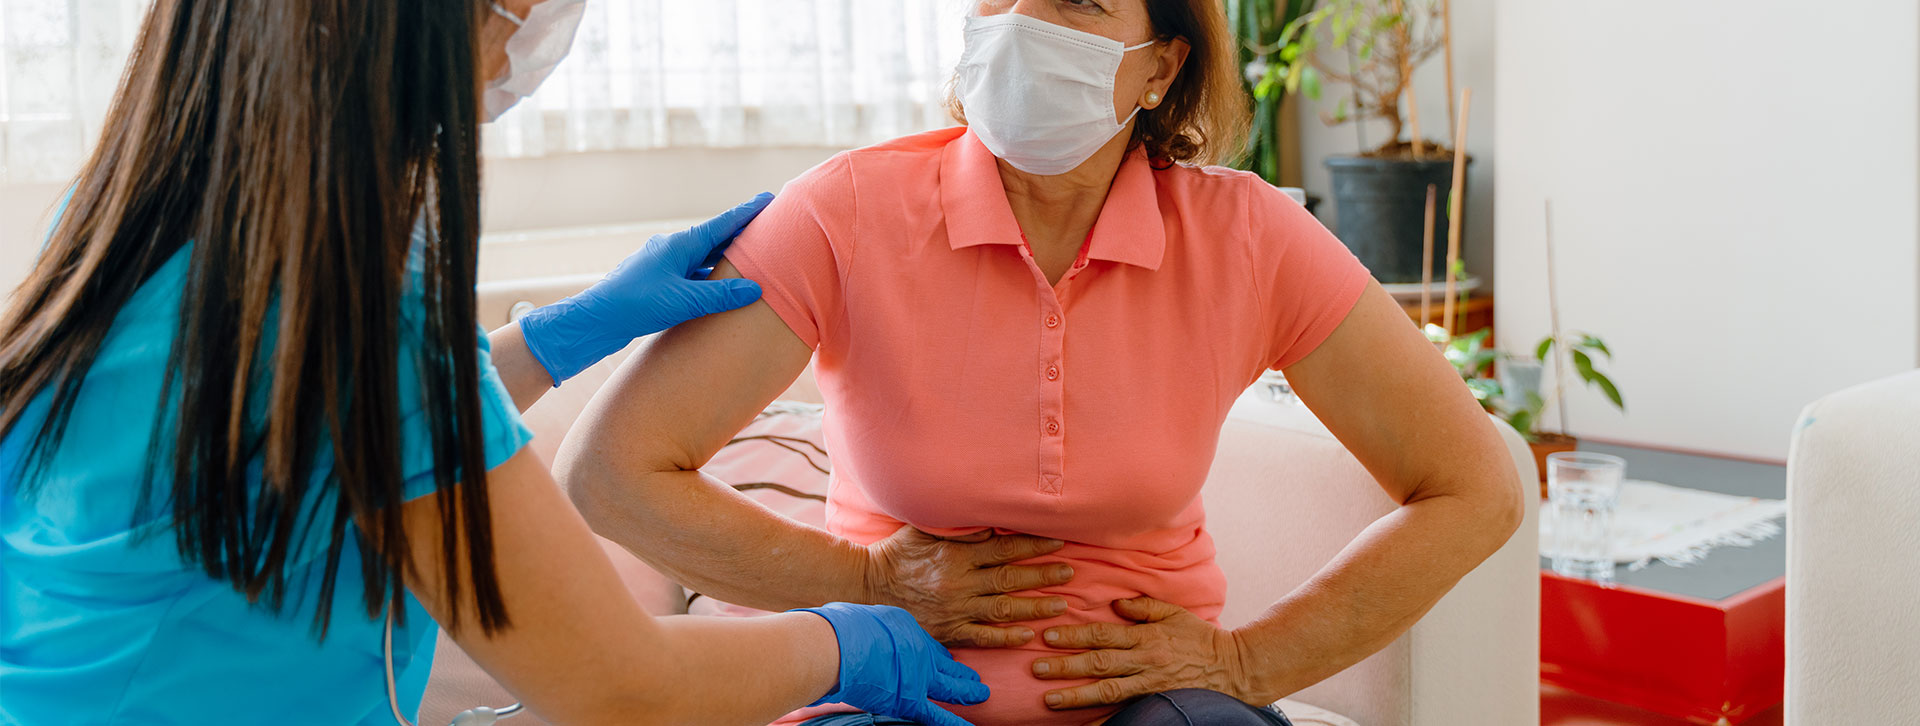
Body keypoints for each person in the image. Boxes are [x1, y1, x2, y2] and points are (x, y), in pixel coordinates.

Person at [0, 2, 993, 725]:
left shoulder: (132, 226)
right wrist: (847, 642)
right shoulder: (357, 311)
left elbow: (333, 439)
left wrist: (558, 338)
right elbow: (622, 685)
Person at [554, 0, 1526, 725]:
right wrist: (870, 580)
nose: (1020, 23)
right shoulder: (844, 213)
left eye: (1069, 0)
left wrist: (1248, 665)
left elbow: (1474, 485)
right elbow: (610, 474)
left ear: (1160, 66)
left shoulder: (1248, 236)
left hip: (1152, 705)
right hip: (894, 688)